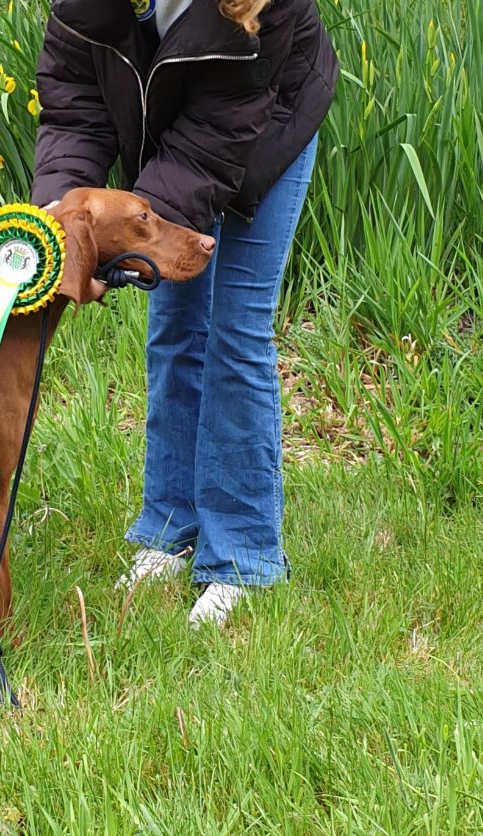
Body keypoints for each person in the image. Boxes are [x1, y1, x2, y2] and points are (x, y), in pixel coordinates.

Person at [30, 0, 339, 626]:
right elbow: (74, 106)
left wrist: (138, 232)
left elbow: (213, 143)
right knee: (174, 328)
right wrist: (60, 227)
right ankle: (169, 530)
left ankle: (242, 557)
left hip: (264, 134)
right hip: (171, 144)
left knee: (236, 333)